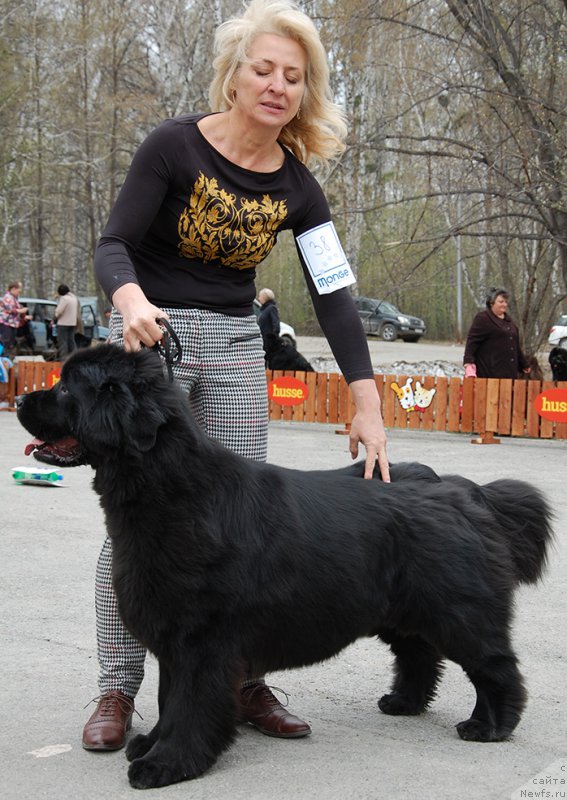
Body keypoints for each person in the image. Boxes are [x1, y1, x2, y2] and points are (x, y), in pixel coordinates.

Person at [85, 0, 390, 753]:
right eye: (264, 68)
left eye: (294, 75)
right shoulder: (172, 147)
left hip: (231, 346)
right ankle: (117, 689)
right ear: (234, 74)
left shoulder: (297, 187)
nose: (277, 84)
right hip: (150, 340)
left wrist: (366, 401)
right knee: (139, 528)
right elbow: (114, 244)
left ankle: (238, 680)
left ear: (305, 91)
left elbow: (335, 296)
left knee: (245, 526)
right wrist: (128, 299)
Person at [463, 287, 531, 379]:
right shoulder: (483, 318)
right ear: (492, 303)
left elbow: (515, 346)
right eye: (501, 301)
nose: (504, 304)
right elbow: (472, 341)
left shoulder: (509, 321)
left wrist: (524, 364)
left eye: (506, 302)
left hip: (509, 371)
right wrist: (468, 362)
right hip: (490, 371)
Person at [0, 280, 28, 358]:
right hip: (6, 323)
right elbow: (10, 310)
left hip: (12, 324)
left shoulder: (15, 298)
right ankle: (3, 358)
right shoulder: (8, 297)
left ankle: (6, 358)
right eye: (19, 288)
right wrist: (21, 311)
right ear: (13, 289)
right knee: (5, 342)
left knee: (11, 343)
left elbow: (15, 311)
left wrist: (24, 316)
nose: (20, 291)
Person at [53, 284, 79, 359]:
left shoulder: (64, 299)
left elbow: (59, 311)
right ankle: (75, 358)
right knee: (71, 342)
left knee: (63, 343)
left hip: (63, 324)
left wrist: (55, 318)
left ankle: (63, 360)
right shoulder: (74, 298)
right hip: (72, 323)